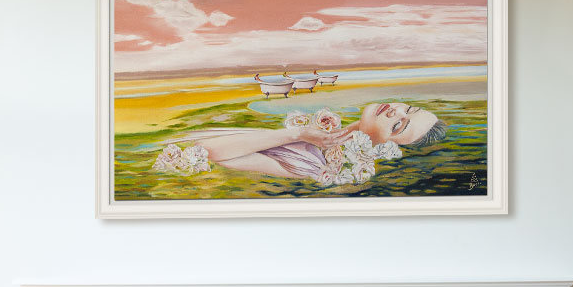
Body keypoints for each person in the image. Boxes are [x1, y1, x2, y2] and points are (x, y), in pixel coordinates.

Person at [181, 102, 446, 179]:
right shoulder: (329, 126)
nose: (395, 111)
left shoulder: (317, 164)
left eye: (398, 125)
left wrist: (297, 134)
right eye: (407, 108)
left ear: (387, 146)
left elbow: (206, 151)